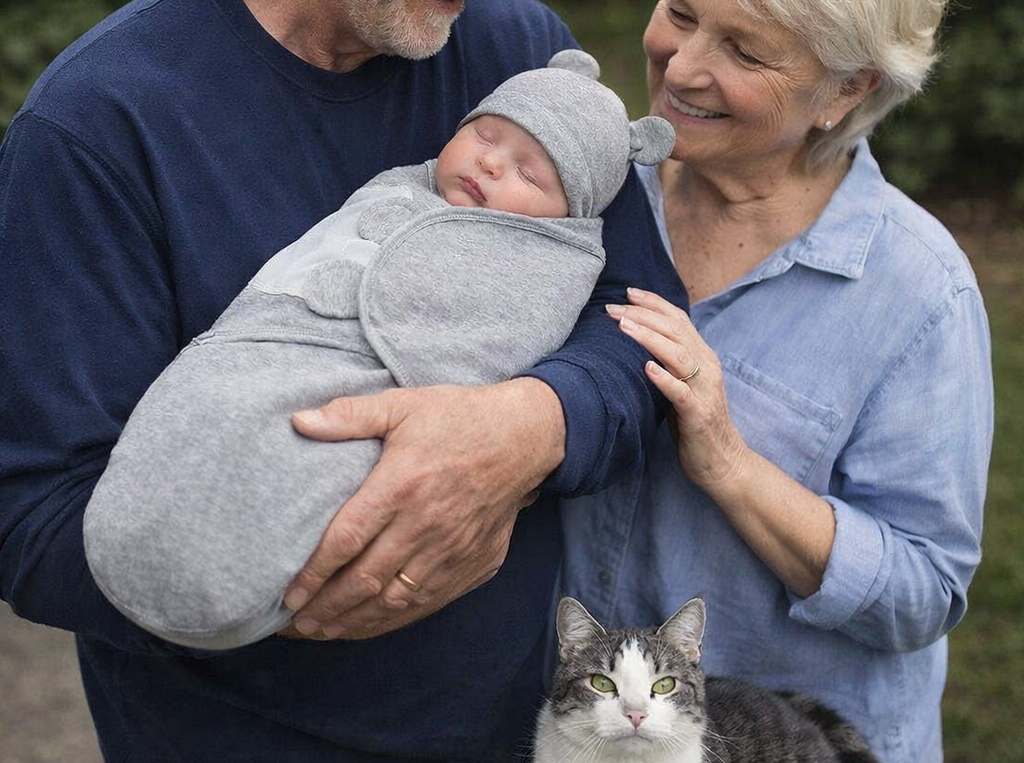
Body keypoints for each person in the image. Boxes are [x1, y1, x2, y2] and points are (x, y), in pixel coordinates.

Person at [0, 0, 685, 763]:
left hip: (537, 748)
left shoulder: (517, 62)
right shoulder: (97, 130)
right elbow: (36, 523)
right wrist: (332, 547)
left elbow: (646, 329)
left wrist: (525, 427)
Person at [560, 0, 993, 763]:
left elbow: (922, 591)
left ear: (846, 90)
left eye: (745, 51)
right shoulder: (580, 194)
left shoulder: (913, 290)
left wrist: (727, 460)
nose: (682, 63)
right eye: (679, 11)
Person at [82, 51, 674, 652]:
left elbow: (629, 333)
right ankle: (154, 529)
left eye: (529, 174)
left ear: (565, 216)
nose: (492, 163)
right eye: (485, 134)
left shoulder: (549, 261)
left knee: (308, 450)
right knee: (210, 408)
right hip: (262, 342)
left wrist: (540, 417)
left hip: (373, 388)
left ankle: (230, 572)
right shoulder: (104, 117)